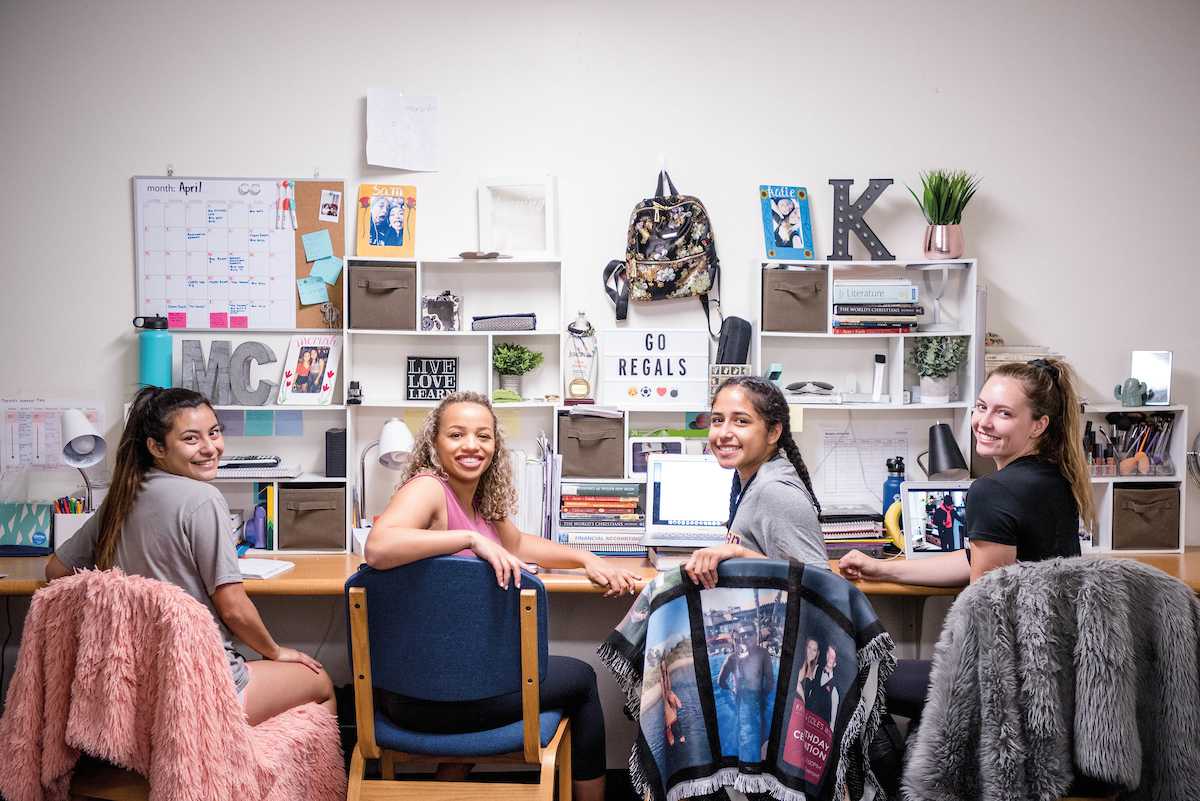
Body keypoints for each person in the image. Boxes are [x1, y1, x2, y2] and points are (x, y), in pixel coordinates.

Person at [363, 390, 640, 801]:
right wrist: (470, 540)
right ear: (434, 443)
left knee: (498, 671)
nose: (471, 445)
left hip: (452, 686)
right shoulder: (428, 488)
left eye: (483, 436)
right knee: (582, 680)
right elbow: (377, 548)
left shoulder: (479, 501)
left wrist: (586, 559)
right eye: (456, 434)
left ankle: (442, 792)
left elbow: (520, 544)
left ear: (495, 446)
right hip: (425, 699)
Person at [46, 387, 336, 726]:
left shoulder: (120, 498)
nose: (209, 447)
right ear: (156, 447)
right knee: (322, 682)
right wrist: (275, 651)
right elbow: (233, 608)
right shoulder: (203, 499)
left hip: (135, 690)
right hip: (202, 688)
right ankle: (247, 756)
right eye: (191, 438)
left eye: (214, 433)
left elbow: (56, 571)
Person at [838, 358, 1096, 722]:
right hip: (1054, 671)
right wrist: (883, 570)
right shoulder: (1056, 479)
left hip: (1005, 684)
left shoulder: (994, 491)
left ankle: (912, 761)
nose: (984, 422)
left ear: (1039, 425)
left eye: (1004, 413)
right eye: (981, 407)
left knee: (849, 675)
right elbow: (978, 560)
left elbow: (985, 614)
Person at [684, 375, 826, 589]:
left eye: (741, 421)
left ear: (773, 432)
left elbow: (819, 588)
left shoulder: (775, 490)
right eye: (717, 420)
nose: (723, 433)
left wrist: (738, 553)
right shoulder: (752, 479)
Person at [717, 624, 775, 761]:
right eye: (738, 639)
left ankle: (758, 754)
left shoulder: (757, 655)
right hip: (741, 698)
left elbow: (769, 681)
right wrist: (733, 691)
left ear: (755, 635)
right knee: (744, 728)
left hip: (757, 698)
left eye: (749, 633)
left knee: (760, 725)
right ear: (734, 641)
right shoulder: (732, 659)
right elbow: (720, 681)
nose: (743, 639)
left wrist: (762, 695)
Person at [807, 644, 840, 724]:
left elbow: (833, 716)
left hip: (820, 725)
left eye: (832, 657)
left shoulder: (835, 687)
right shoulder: (816, 669)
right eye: (828, 653)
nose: (829, 658)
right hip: (808, 717)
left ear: (835, 663)